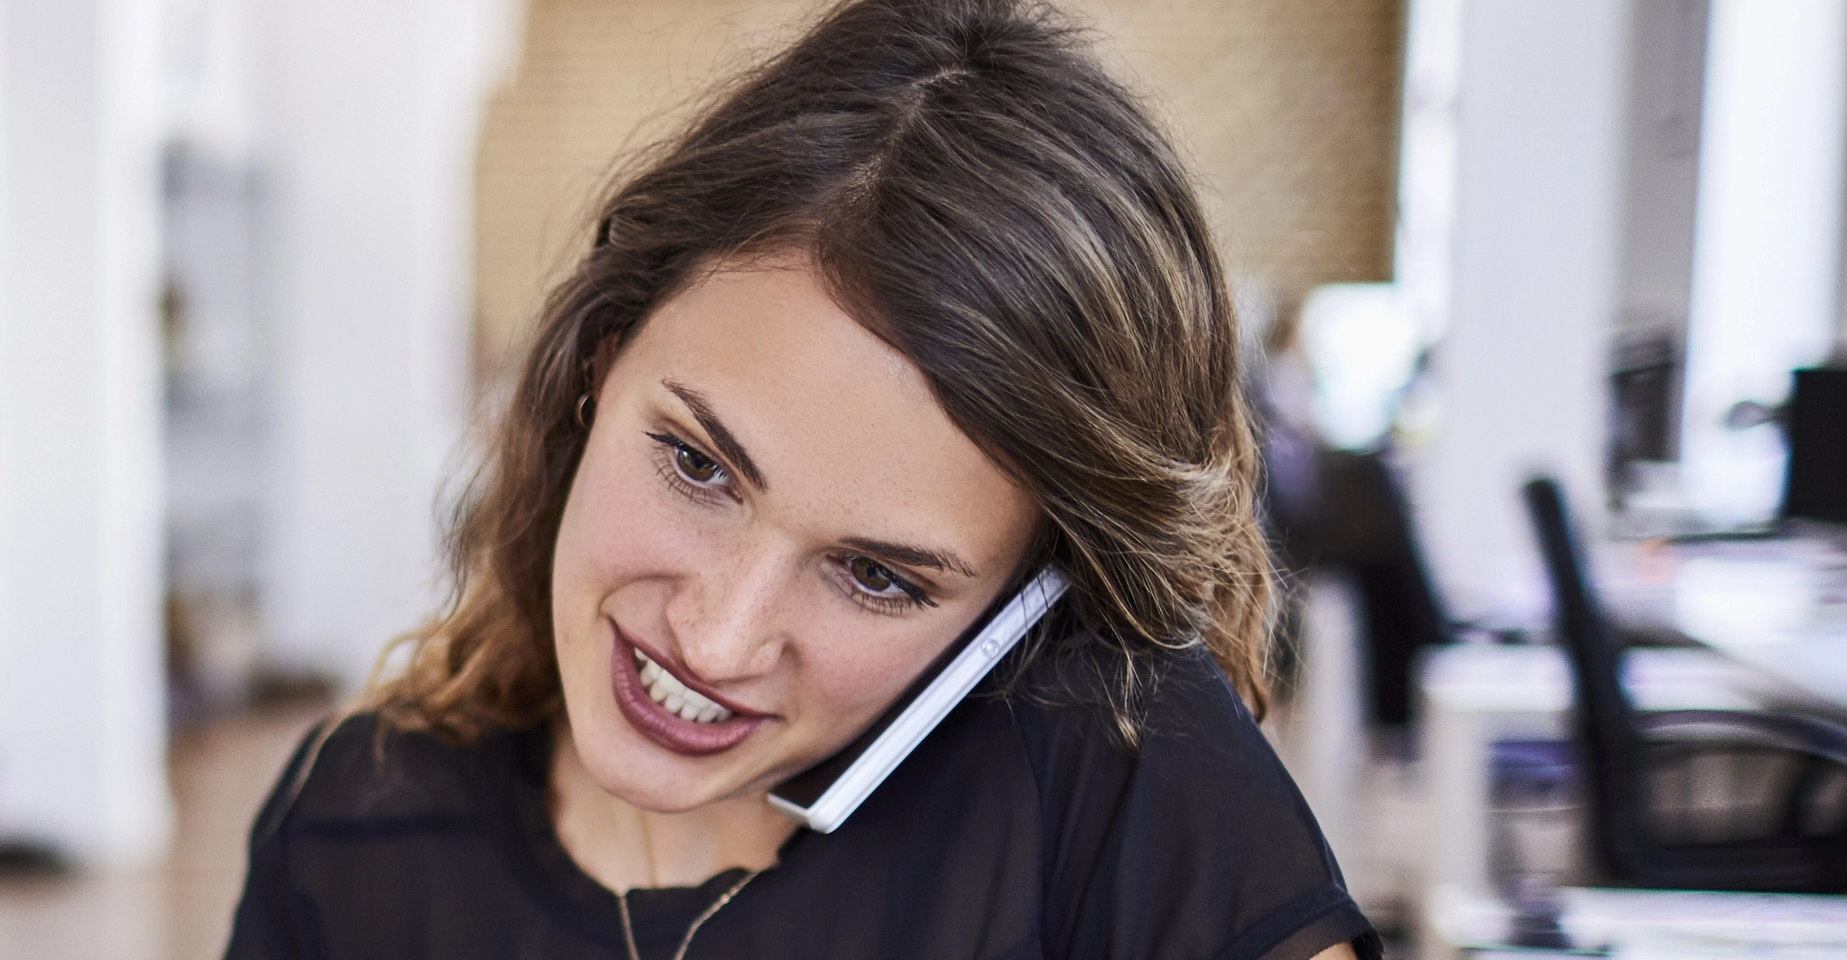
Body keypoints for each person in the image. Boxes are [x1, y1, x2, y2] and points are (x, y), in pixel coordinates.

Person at [220, 1, 1376, 958]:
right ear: (600, 362)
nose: (716, 641)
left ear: (1027, 600)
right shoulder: (353, 836)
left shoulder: (1109, 785)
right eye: (696, 464)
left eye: (876, 576)